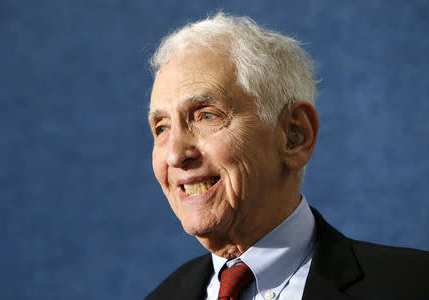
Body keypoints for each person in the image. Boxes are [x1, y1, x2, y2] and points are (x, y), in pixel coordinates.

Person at [145, 13, 428, 300]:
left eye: (206, 115)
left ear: (295, 135)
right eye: (162, 127)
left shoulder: (413, 285)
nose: (175, 155)